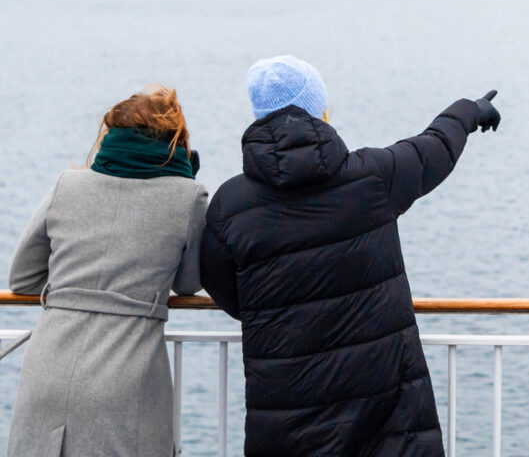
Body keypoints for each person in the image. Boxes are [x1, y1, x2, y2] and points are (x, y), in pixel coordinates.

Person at [201, 55, 500, 457]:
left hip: (289, 419)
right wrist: (468, 111)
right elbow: (433, 148)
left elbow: (223, 286)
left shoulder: (229, 206)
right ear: (320, 111)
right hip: (386, 418)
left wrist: (272, 308)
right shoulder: (372, 176)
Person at [7, 85, 208, 457]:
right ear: (174, 142)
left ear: (111, 135)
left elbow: (21, 279)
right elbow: (188, 282)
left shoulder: (68, 184)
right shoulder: (189, 196)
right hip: (126, 376)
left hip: (47, 367)